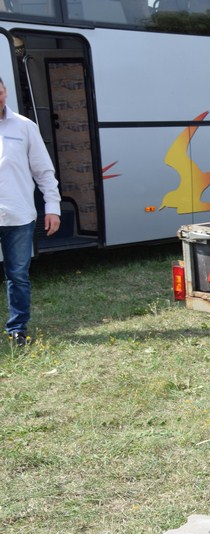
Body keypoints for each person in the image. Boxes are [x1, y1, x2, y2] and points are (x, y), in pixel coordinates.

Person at [0, 77, 61, 347]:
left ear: (5, 92)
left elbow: (44, 171)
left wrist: (53, 208)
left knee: (17, 276)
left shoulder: (24, 127)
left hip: (19, 216)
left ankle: (17, 329)